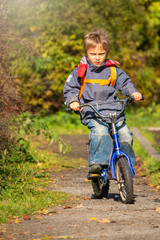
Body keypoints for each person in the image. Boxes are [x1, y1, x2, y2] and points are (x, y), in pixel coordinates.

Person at [63, 28, 142, 174]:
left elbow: (125, 84)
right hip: (92, 111)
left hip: (113, 111)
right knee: (100, 132)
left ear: (107, 52)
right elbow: (70, 89)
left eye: (101, 54)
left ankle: (126, 166)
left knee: (125, 134)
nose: (97, 57)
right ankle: (98, 163)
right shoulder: (81, 70)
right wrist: (73, 101)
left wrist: (133, 92)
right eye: (93, 54)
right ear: (86, 52)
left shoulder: (113, 70)